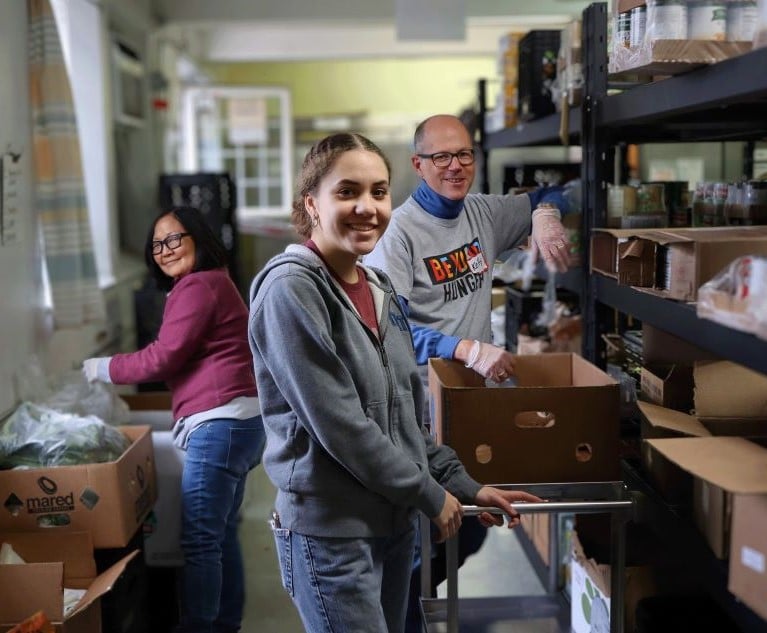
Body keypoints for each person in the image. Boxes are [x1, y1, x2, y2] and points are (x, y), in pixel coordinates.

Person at [247, 132, 542, 633]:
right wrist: (429, 495)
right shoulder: (291, 290)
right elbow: (342, 427)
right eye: (347, 192)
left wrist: (464, 486)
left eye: (379, 191)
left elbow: (404, 412)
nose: (367, 207)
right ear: (310, 204)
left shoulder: (378, 288)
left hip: (392, 525)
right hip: (332, 536)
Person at [363, 114, 571, 631]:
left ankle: (416, 600)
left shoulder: (484, 214)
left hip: (473, 402)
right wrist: (465, 348)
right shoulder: (399, 233)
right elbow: (391, 328)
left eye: (465, 155)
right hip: (419, 403)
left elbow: (568, 189)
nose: (455, 167)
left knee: (475, 521)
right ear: (418, 165)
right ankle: (405, 616)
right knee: (422, 531)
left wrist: (545, 211)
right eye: (441, 157)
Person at [83, 206, 265, 633]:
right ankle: (223, 624)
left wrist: (102, 368)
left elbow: (163, 357)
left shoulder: (197, 286)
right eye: (156, 244)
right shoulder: (214, 282)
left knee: (201, 539)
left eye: (174, 238)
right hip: (241, 421)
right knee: (219, 536)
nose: (164, 250)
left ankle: (201, 627)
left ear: (199, 238)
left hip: (219, 423)